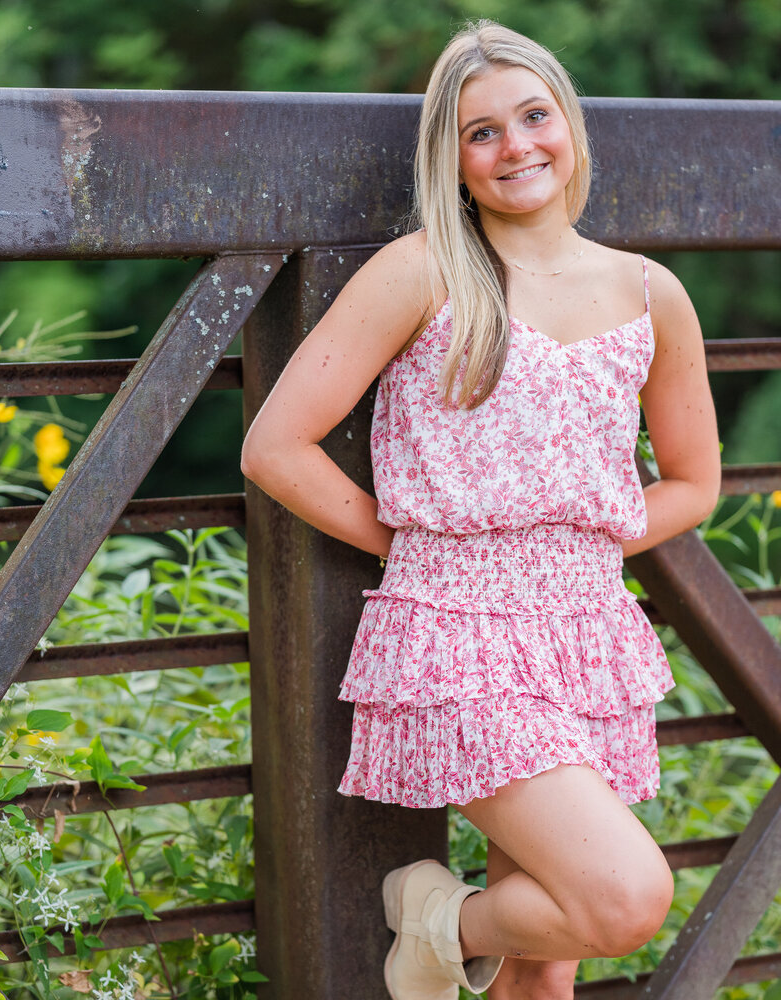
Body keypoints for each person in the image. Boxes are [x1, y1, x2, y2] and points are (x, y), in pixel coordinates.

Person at [240, 19, 721, 1000]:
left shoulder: (649, 292)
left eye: (532, 116)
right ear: (452, 162)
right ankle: (437, 920)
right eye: (481, 133)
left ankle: (450, 931)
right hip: (457, 634)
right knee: (623, 898)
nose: (516, 147)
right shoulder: (423, 273)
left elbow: (691, 482)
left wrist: (568, 548)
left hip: (586, 636)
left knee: (545, 972)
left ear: (571, 127)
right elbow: (274, 448)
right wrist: (419, 545)